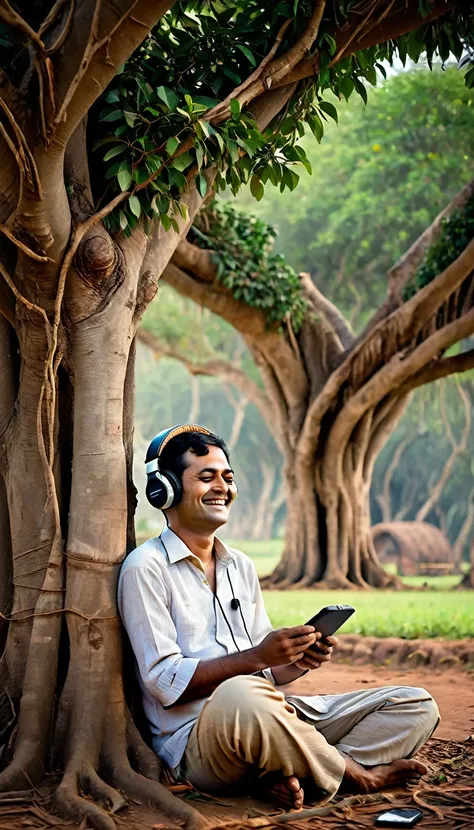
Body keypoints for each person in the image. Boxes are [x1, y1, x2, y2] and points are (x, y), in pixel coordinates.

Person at [118, 424, 439, 809]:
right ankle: (356, 774)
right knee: (240, 692)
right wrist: (256, 658)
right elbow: (163, 683)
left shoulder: (241, 566)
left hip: (271, 714)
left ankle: (292, 772)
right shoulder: (146, 568)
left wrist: (296, 660)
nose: (222, 486)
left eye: (228, 477)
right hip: (198, 741)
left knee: (414, 704)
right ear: (164, 490)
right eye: (206, 477)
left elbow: (269, 675)